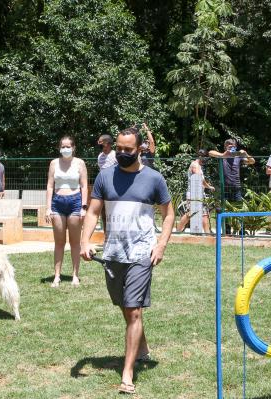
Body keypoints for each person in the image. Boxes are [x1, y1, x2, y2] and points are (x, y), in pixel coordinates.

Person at [80, 126, 175, 395]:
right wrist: (85, 241)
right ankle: (142, 344)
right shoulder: (105, 176)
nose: (121, 153)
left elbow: (168, 214)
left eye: (127, 150)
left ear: (140, 149)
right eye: (119, 148)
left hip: (141, 253)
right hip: (113, 253)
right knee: (125, 306)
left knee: (133, 309)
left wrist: (161, 245)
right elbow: (93, 212)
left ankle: (127, 372)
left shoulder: (154, 179)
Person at [45, 136, 88, 288]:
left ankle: (75, 276)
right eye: (63, 146)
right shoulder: (53, 163)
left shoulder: (80, 163)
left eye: (68, 146)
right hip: (57, 202)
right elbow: (50, 186)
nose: (65, 149)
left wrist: (84, 208)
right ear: (59, 148)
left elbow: (84, 186)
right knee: (59, 242)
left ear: (73, 147)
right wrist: (48, 207)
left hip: (75, 202)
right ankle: (57, 276)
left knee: (75, 242)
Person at [177, 149, 216, 233]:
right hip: (193, 194)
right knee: (190, 213)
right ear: (200, 156)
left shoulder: (199, 166)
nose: (206, 161)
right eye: (205, 158)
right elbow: (198, 178)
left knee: (205, 214)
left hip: (200, 194)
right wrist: (208, 186)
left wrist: (209, 187)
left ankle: (207, 236)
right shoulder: (195, 165)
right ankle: (177, 232)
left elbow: (202, 181)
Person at [97, 134, 117, 231]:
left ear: (108, 144)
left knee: (114, 214)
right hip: (103, 189)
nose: (100, 146)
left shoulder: (115, 155)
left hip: (114, 188)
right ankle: (106, 237)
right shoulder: (100, 156)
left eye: (101, 144)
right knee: (104, 214)